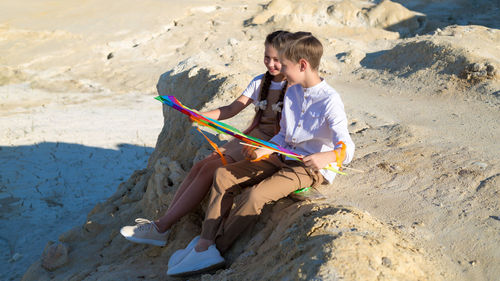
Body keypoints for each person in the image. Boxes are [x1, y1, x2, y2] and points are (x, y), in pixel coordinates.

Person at [166, 31, 355, 277]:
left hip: (307, 167)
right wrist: (264, 148)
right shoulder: (293, 92)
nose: (281, 73)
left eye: (284, 66)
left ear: (303, 65)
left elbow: (347, 147)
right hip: (281, 154)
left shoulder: (330, 100)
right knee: (223, 175)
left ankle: (217, 249)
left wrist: (326, 157)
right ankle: (204, 242)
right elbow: (284, 135)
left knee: (255, 196)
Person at [119, 30, 290, 247]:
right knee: (201, 165)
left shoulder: (294, 89)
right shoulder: (260, 82)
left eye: (277, 59)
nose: (271, 64)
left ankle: (162, 227)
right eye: (267, 57)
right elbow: (231, 109)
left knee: (210, 170)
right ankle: (160, 225)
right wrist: (199, 115)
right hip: (247, 138)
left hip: (269, 145)